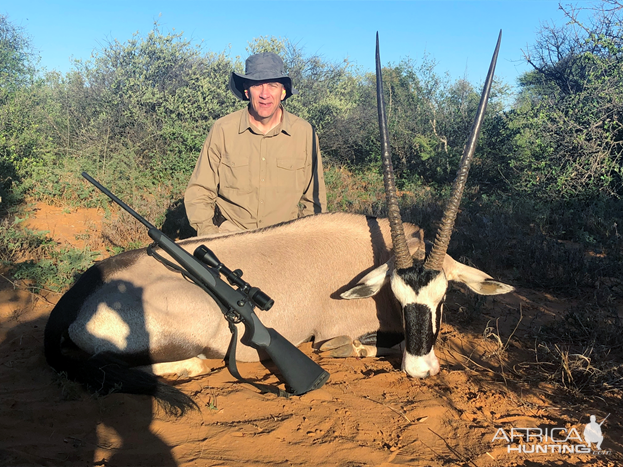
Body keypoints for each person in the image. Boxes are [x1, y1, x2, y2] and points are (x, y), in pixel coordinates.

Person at [185, 52, 327, 236]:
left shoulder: (305, 133)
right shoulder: (223, 130)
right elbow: (199, 191)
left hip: (285, 241)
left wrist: (303, 239)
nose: (264, 94)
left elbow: (315, 201)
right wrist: (210, 235)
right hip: (231, 238)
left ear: (283, 91)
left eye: (273, 85)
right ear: (246, 90)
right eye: (257, 85)